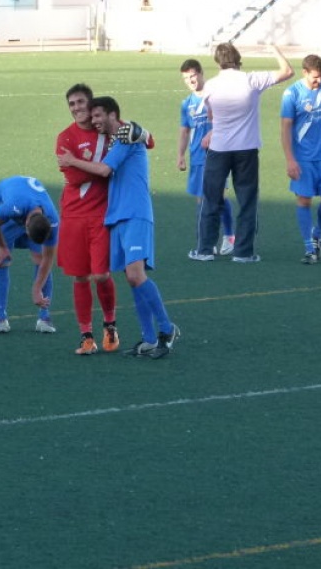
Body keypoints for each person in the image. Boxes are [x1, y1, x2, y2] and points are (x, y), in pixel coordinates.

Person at [55, 83, 155, 355]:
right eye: (72, 104)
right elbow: (73, 177)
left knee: (100, 275)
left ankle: (110, 325)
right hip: (74, 214)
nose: (76, 109)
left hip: (102, 214)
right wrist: (101, 169)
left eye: (80, 103)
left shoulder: (112, 131)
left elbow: (147, 139)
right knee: (79, 277)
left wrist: (143, 133)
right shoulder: (65, 137)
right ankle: (86, 335)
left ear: (92, 107)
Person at [80, 96, 180, 358]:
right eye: (93, 117)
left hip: (135, 212)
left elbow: (103, 170)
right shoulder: (119, 139)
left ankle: (167, 330)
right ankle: (148, 338)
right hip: (118, 217)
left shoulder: (126, 135)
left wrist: (71, 160)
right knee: (132, 280)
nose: (95, 121)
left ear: (113, 115)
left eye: (99, 115)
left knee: (136, 275)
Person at [191, 43, 294, 263]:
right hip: (246, 148)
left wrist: (217, 129)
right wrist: (275, 50)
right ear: (238, 59)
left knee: (211, 198)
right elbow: (287, 71)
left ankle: (205, 249)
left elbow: (211, 116)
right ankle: (243, 252)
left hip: (219, 148)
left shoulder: (211, 85)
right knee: (247, 200)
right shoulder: (251, 79)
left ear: (218, 61)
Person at [280, 54, 321, 264]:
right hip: (304, 159)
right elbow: (286, 127)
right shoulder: (292, 94)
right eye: (315, 77)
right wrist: (290, 159)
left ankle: (317, 233)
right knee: (304, 200)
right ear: (304, 72)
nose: (319, 81)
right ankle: (309, 248)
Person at [0, 176, 60, 334]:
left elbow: (48, 258)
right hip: (2, 207)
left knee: (39, 259)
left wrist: (36, 289)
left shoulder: (53, 221)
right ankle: (0, 318)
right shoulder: (13, 206)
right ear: (25, 225)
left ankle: (44, 317)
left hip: (28, 206)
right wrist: (1, 245)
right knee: (1, 260)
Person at [176, 60, 236, 258]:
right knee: (201, 200)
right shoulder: (187, 103)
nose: (190, 80)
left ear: (201, 74)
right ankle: (209, 243)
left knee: (217, 197)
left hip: (217, 155)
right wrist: (180, 155)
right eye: (186, 78)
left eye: (192, 76)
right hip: (197, 158)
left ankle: (227, 237)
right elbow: (184, 130)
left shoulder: (214, 96)